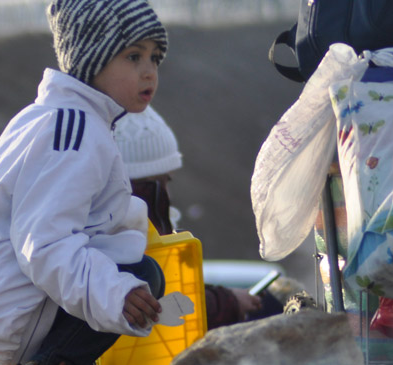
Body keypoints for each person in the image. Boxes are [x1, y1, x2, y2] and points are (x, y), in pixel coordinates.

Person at [0, 0, 169, 365]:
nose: (149, 72)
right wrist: (115, 293)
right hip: (5, 312)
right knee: (139, 276)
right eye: (133, 56)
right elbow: (43, 243)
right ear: (91, 57)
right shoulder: (74, 129)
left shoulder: (67, 117)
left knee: (135, 266)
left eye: (155, 58)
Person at [112, 106, 285, 328]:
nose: (168, 196)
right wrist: (229, 303)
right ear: (138, 186)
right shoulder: (130, 248)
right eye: (161, 183)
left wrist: (224, 298)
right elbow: (163, 304)